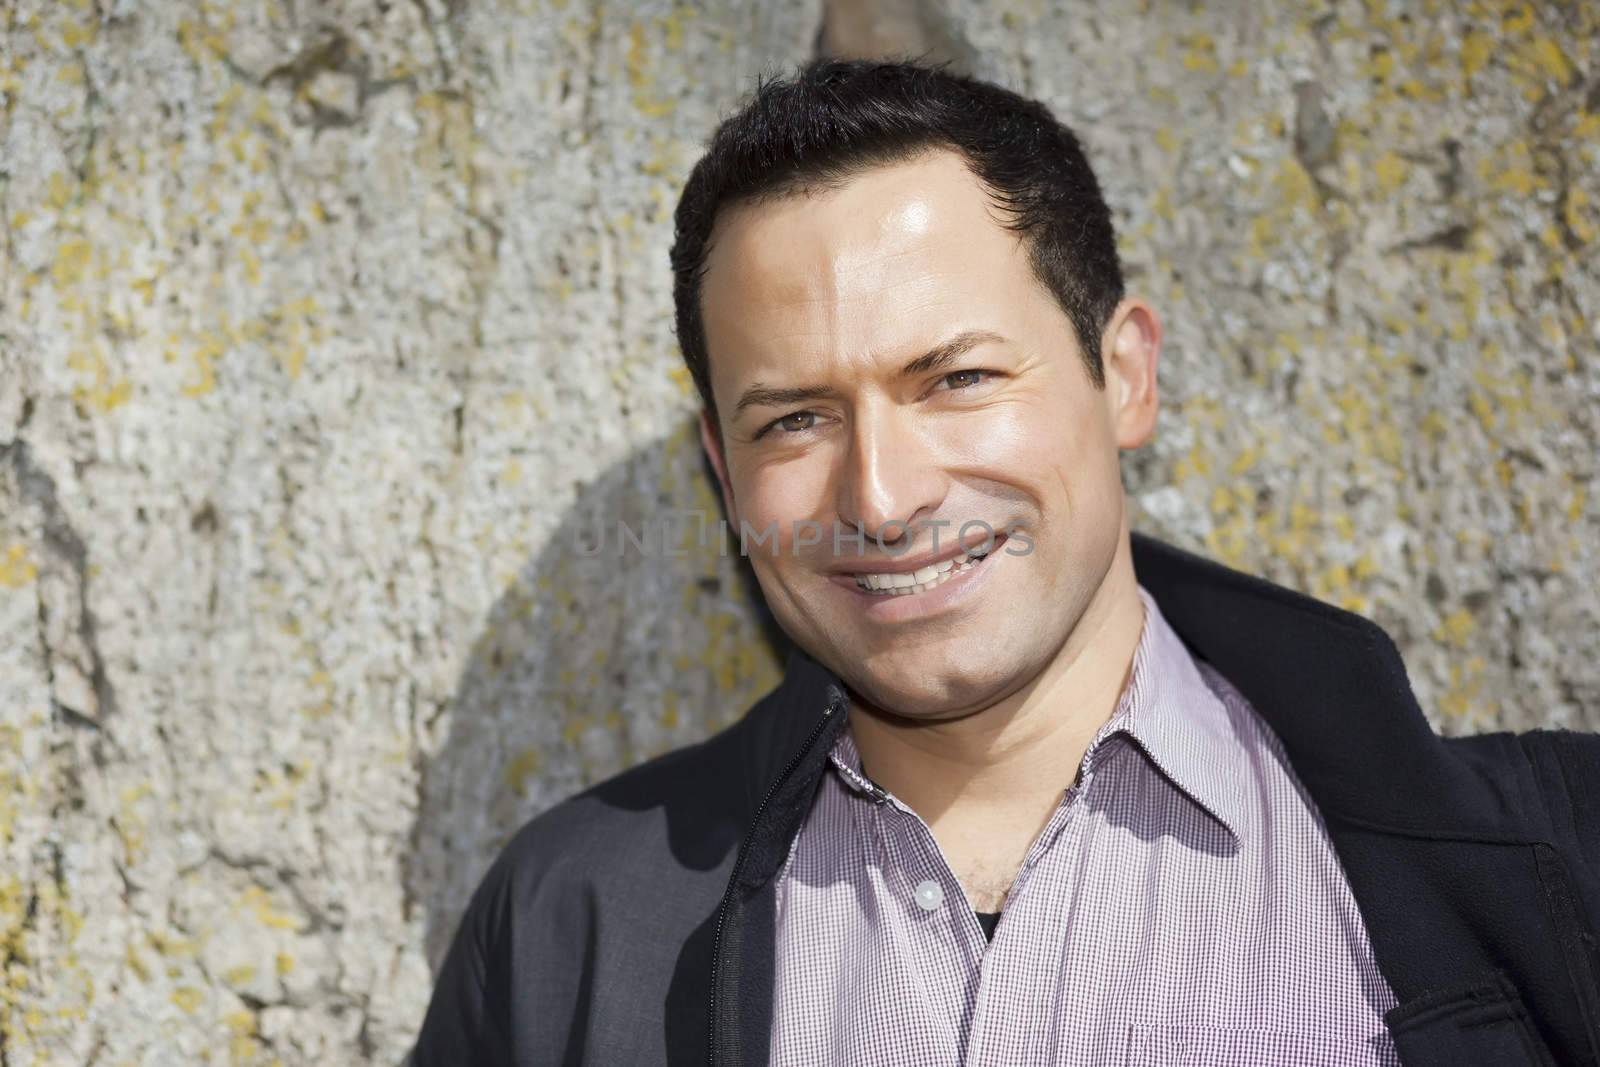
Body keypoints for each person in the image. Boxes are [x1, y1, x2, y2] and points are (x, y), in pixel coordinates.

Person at [411, 59, 1600, 1067]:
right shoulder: (570, 928)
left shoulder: (1560, 866)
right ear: (725, 470)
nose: (881, 495)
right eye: (794, 419)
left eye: (957, 379)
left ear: (1123, 374)